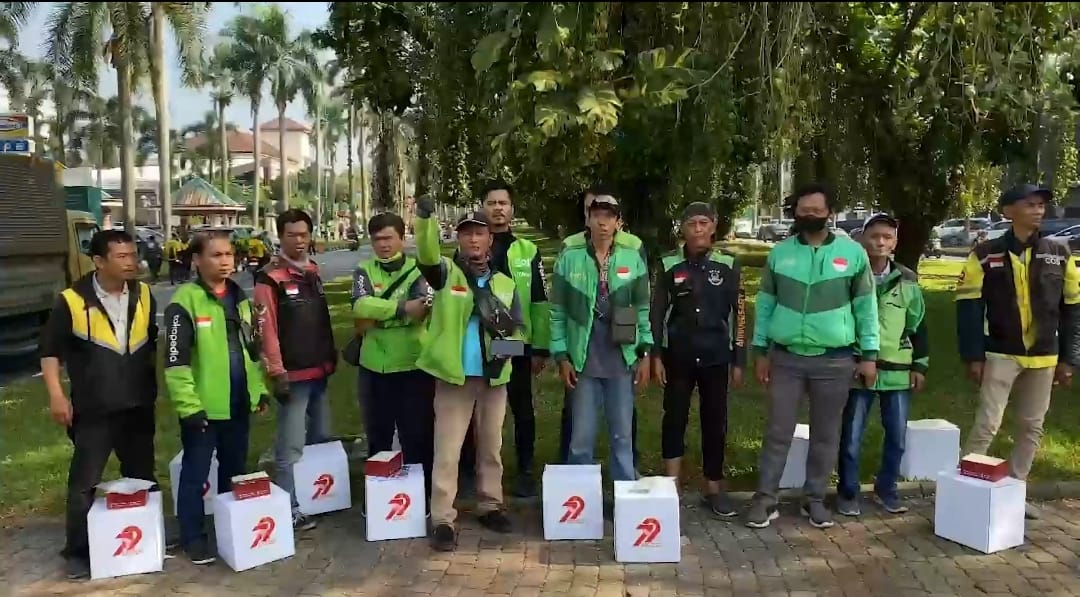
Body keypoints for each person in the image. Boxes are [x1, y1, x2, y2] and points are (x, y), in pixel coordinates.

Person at [748, 183, 879, 530]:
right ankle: (765, 499)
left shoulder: (853, 254)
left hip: (835, 361)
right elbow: (765, 304)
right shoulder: (780, 254)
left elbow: (866, 307)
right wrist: (760, 350)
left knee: (826, 434)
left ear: (829, 213)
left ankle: (815, 499)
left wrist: (869, 354)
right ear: (795, 213)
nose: (809, 216)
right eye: (803, 210)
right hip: (786, 358)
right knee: (778, 431)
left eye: (816, 211)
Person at [39, 230, 158, 580]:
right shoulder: (72, 300)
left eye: (133, 255)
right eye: (122, 256)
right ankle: (77, 552)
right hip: (95, 409)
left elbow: (150, 342)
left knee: (142, 477)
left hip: (138, 404)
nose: (131, 262)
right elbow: (49, 352)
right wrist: (56, 395)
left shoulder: (144, 294)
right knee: (84, 482)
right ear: (99, 261)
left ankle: (146, 542)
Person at [956, 185, 1080, 520]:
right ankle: (964, 492)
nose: (1038, 210)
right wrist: (973, 356)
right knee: (987, 424)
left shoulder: (1059, 252)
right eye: (1030, 204)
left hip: (1044, 356)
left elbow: (1073, 309)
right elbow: (968, 308)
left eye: (1041, 205)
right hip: (1001, 353)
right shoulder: (985, 253)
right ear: (1008, 211)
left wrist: (1069, 359)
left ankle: (1013, 491)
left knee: (1031, 427)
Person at [413, 195, 524, 552]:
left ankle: (491, 504)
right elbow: (426, 254)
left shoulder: (505, 283)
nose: (473, 239)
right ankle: (442, 518)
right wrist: (425, 219)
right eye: (467, 234)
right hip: (454, 377)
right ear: (458, 239)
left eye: (479, 233)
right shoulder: (446, 274)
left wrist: (503, 357)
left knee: (492, 447)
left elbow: (519, 332)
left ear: (490, 239)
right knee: (447, 450)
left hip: (493, 379)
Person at [163, 231, 269, 565]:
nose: (225, 261)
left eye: (228, 254)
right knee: (195, 475)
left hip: (238, 404)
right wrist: (189, 407)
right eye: (216, 255)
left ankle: (229, 531)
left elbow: (251, 350)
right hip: (203, 410)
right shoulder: (184, 301)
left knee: (234, 471)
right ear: (197, 260)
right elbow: (175, 362)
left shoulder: (239, 296)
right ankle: (193, 537)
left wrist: (259, 391)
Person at [651, 202, 746, 516]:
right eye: (692, 223)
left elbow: (740, 315)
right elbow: (656, 314)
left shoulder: (728, 264)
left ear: (714, 227)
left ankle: (714, 488)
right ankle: (671, 485)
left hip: (716, 356)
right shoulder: (668, 264)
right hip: (678, 356)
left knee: (715, 421)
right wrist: (656, 355)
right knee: (674, 418)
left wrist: (739, 359)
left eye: (704, 223)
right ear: (682, 228)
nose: (698, 229)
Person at [551, 193, 652, 483]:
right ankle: (579, 497)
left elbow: (642, 309)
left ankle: (624, 495)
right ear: (588, 219)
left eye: (609, 216)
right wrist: (561, 356)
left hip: (621, 358)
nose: (603, 222)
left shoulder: (632, 258)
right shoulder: (570, 257)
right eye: (597, 215)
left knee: (622, 436)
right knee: (581, 437)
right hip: (583, 359)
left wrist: (645, 352)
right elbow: (557, 312)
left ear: (618, 222)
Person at [459, 180, 550, 497]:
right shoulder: (468, 248)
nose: (498, 208)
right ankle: (469, 470)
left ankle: (525, 469)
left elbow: (539, 300)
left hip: (514, 342)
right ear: (483, 206)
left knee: (521, 405)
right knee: (472, 408)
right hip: (474, 345)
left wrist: (540, 347)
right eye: (492, 202)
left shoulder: (527, 251)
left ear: (512, 209)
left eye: (503, 203)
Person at [836, 213, 929, 517]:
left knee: (897, 437)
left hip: (898, 371)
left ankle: (886, 489)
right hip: (857, 367)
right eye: (874, 236)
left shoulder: (907, 280)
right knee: (851, 436)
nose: (880, 242)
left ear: (895, 243)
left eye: (887, 237)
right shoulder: (849, 276)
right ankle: (848, 492)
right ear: (862, 239)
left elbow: (919, 326)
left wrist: (920, 365)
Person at [254, 209, 338, 532]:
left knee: (321, 437)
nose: (299, 241)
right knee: (290, 446)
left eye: (304, 234)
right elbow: (266, 329)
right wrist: (277, 371)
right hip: (292, 375)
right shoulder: (269, 278)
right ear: (281, 236)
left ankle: (319, 498)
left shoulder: (313, 271)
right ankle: (288, 507)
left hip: (320, 370)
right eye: (292, 235)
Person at [351, 212, 435, 497]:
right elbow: (360, 306)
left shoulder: (418, 271)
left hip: (412, 365)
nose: (383, 245)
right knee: (378, 437)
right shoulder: (363, 270)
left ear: (402, 238)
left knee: (417, 436)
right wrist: (401, 308)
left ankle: (419, 495)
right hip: (374, 367)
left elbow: (421, 311)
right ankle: (379, 498)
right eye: (377, 239)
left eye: (388, 238)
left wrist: (378, 317)